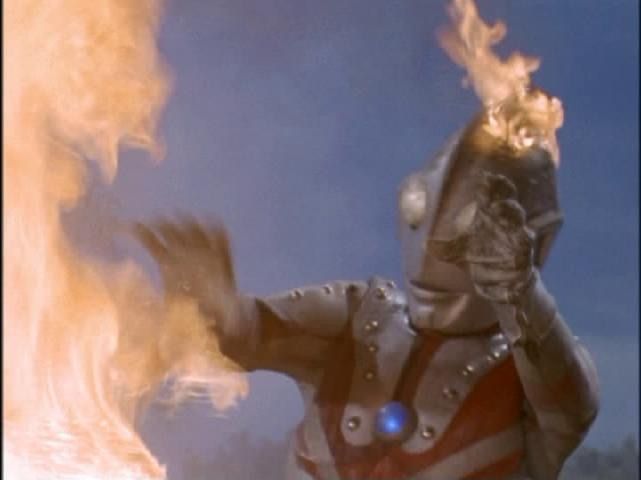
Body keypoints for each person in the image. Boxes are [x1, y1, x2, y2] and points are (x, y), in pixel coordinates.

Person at [136, 110, 599, 479]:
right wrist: (209, 309)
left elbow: (571, 401)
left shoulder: (531, 373)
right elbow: (245, 336)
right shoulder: (358, 317)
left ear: (536, 241)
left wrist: (520, 290)